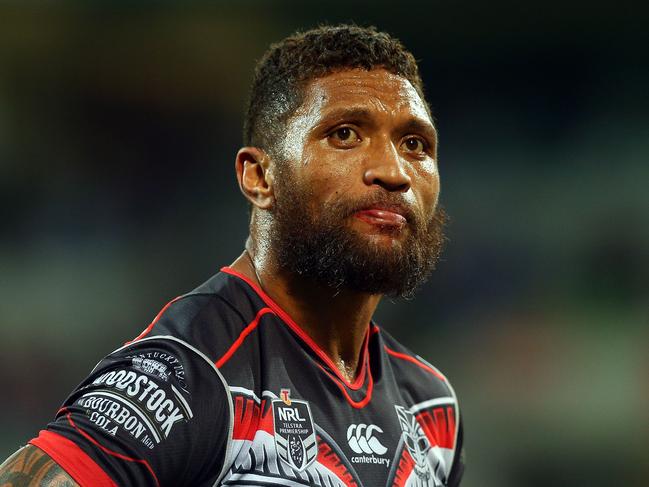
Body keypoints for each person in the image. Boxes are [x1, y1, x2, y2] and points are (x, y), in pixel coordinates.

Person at [0, 24, 464, 486]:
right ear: (259, 177)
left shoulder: (432, 410)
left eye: (415, 144)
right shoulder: (192, 372)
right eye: (345, 134)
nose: (393, 171)